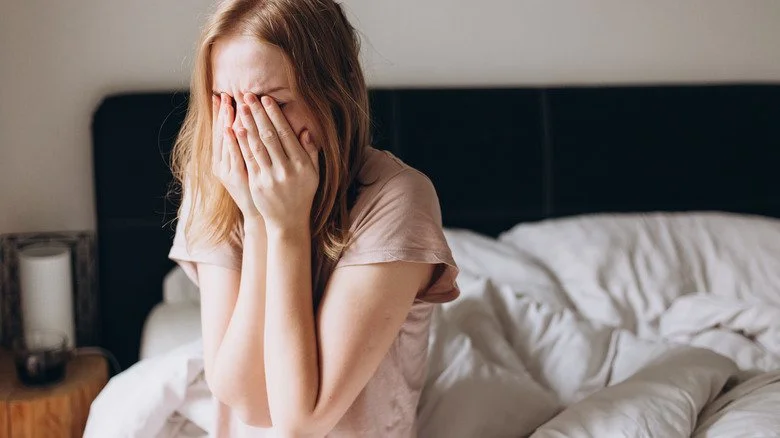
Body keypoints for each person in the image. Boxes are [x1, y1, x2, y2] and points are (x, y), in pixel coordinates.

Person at [168, 0, 459, 436]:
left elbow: (298, 423)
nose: (245, 130)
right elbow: (245, 399)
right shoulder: (214, 182)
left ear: (331, 99)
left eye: (271, 104)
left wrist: (286, 226)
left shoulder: (398, 198)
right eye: (227, 101)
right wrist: (256, 218)